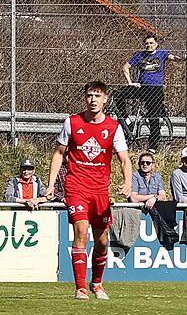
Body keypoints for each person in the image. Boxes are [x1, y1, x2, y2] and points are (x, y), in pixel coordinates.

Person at [45, 81, 131, 301]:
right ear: (85, 98)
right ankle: (80, 287)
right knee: (81, 231)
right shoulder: (72, 122)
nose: (93, 99)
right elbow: (58, 154)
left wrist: (127, 182)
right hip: (76, 188)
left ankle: (98, 283)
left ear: (105, 99)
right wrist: (51, 184)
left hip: (100, 191)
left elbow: (124, 159)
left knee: (102, 241)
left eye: (97, 96)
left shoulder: (114, 127)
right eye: (90, 95)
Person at [117, 33, 181, 152]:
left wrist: (183, 58)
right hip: (143, 88)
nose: (149, 45)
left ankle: (153, 147)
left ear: (156, 44)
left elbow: (174, 58)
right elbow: (125, 67)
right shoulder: (139, 55)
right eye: (147, 43)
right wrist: (130, 82)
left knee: (153, 116)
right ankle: (125, 119)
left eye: (151, 43)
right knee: (118, 94)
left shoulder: (162, 54)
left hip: (156, 89)